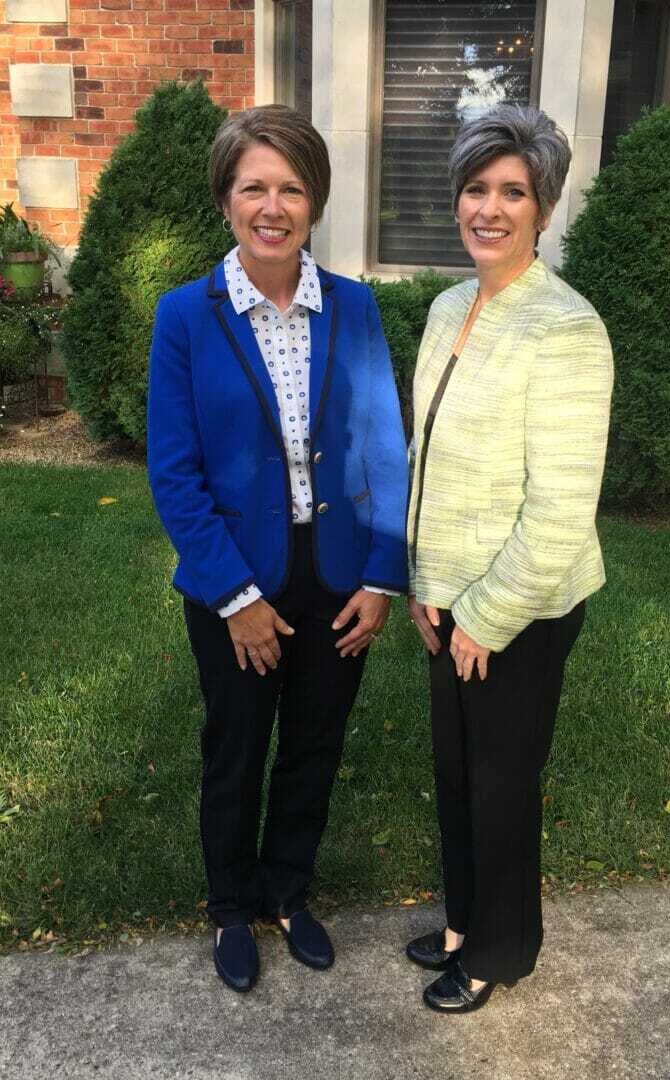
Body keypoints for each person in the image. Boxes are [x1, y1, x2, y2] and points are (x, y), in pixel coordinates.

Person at [147, 105, 408, 993]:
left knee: (314, 742)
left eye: (291, 186)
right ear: (226, 198)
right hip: (236, 575)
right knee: (238, 743)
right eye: (254, 185)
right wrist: (236, 598)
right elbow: (175, 477)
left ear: (314, 201)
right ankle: (230, 905)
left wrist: (382, 577)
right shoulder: (185, 316)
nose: (273, 204)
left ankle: (289, 889)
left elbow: (383, 445)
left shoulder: (356, 307)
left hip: (336, 569)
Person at [405, 104, 613, 1013]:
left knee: (500, 783)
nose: (490, 208)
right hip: (447, 598)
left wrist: (486, 615)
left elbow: (561, 509)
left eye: (513, 192)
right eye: (477, 188)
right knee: (456, 773)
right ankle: (461, 919)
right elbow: (428, 462)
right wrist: (424, 587)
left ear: (543, 206)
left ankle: (497, 949)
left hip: (522, 608)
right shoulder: (453, 304)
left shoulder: (565, 329)